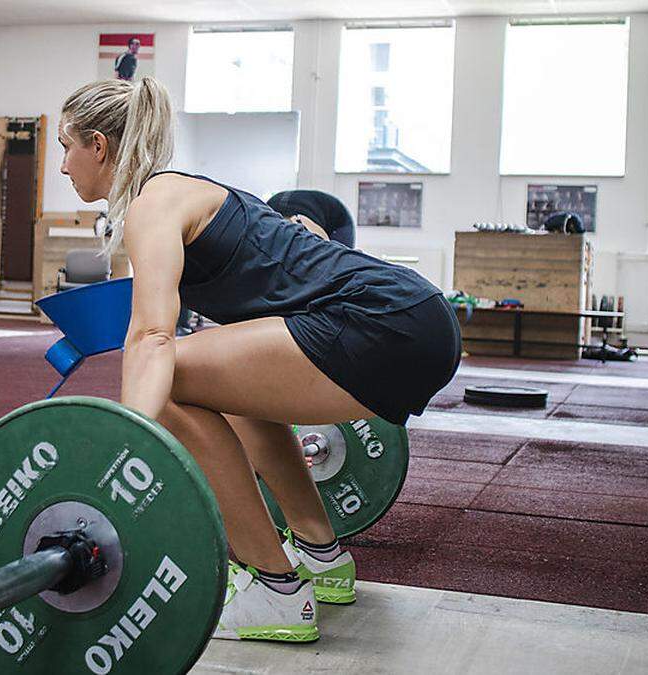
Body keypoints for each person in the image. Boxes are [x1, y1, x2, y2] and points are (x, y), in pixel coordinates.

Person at [58, 78, 461, 642]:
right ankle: (321, 556)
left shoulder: (152, 207)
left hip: (379, 320)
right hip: (417, 317)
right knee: (236, 391)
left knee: (171, 380)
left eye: (65, 147)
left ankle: (274, 589)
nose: (62, 166)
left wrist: (125, 443)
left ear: (98, 146)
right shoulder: (185, 191)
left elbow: (151, 337)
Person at [266, 189, 356, 247]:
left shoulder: (306, 227)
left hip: (338, 220)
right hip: (287, 204)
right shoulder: (264, 223)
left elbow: (328, 252)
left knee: (339, 263)